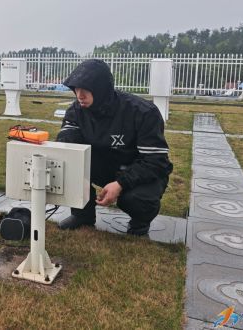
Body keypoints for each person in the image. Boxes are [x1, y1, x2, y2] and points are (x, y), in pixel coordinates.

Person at [56, 59, 173, 236]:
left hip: (138, 169)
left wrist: (120, 184)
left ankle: (140, 223)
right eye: (76, 89)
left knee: (136, 199)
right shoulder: (76, 110)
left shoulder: (143, 112)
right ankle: (82, 215)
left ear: (101, 89)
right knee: (70, 162)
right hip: (103, 164)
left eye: (86, 89)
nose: (79, 95)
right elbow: (67, 143)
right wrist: (67, 145)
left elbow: (156, 161)